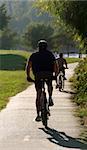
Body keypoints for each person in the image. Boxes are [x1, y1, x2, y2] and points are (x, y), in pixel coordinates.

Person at [26, 40, 57, 121]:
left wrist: (28, 76)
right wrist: (55, 75)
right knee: (49, 85)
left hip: (38, 75)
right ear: (46, 46)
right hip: (48, 74)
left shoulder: (34, 55)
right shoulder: (50, 54)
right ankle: (50, 97)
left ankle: (38, 115)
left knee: (38, 93)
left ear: (38, 47)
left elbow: (28, 66)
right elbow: (55, 65)